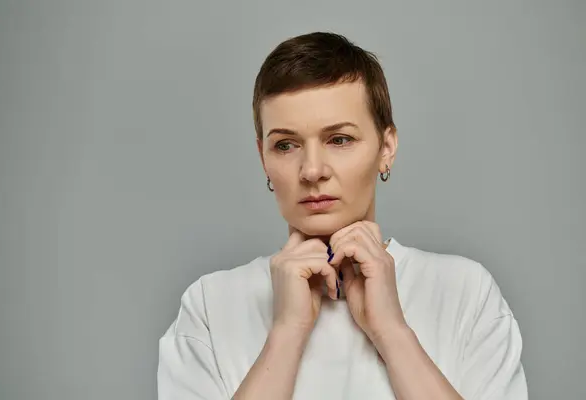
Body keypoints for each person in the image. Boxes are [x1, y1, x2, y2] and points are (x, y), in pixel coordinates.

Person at [157, 32, 528, 400]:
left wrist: (393, 333)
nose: (312, 170)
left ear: (386, 147)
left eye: (339, 139)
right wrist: (287, 334)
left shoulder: (464, 291)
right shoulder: (210, 305)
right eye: (286, 145)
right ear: (263, 159)